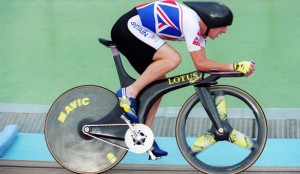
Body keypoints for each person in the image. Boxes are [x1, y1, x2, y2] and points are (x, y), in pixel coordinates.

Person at [110, 0, 255, 159]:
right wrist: (235, 66)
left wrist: (236, 69)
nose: (225, 31)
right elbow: (201, 64)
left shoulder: (200, 33)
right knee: (173, 59)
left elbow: (203, 65)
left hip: (133, 30)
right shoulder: (192, 22)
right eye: (223, 26)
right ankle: (128, 93)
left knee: (156, 88)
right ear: (212, 21)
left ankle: (143, 136)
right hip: (128, 27)